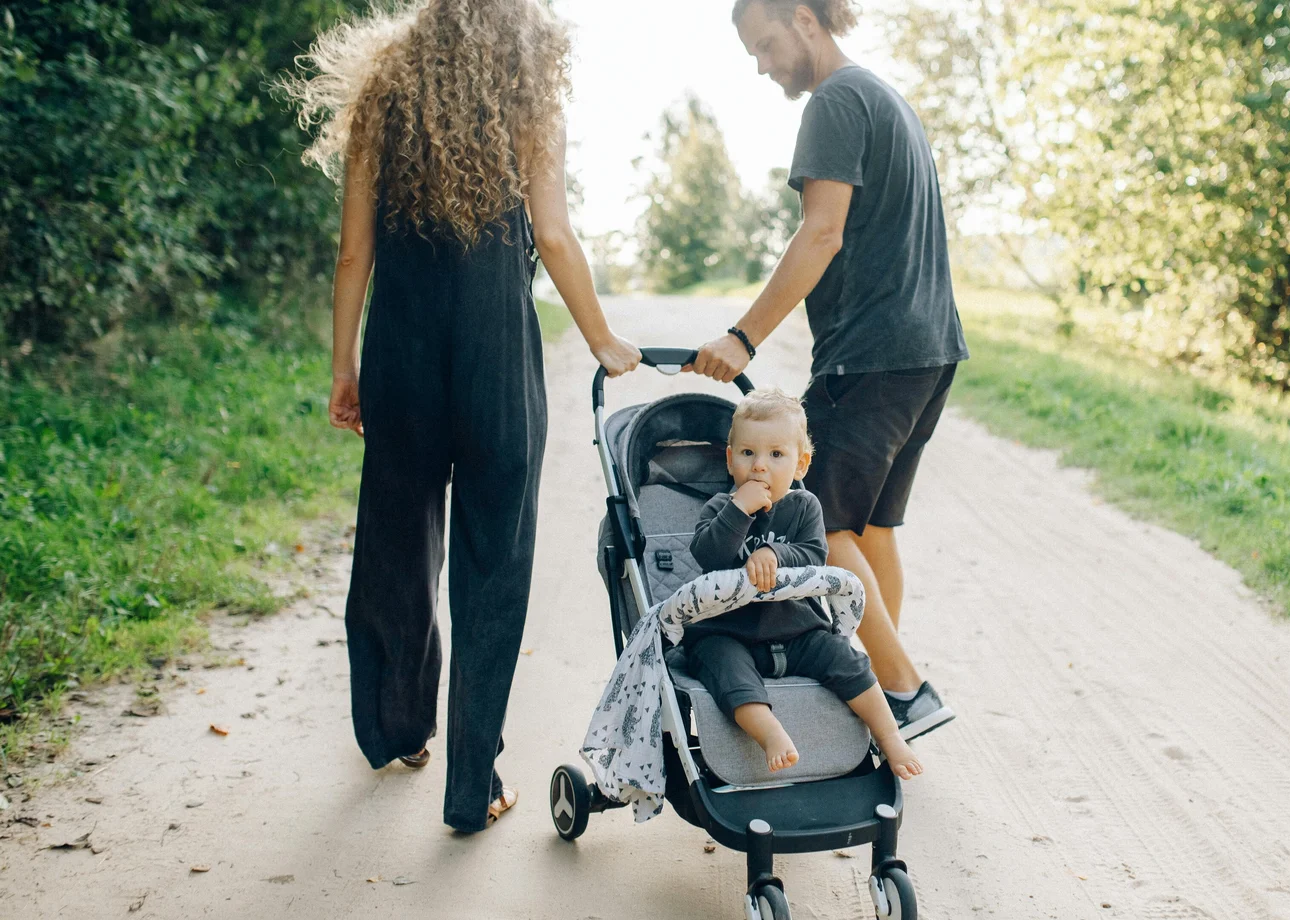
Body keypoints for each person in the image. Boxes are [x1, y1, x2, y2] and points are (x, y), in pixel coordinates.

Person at [283, 0, 641, 832]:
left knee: (398, 542)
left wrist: (344, 367)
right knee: (493, 562)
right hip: (496, 359)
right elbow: (551, 232)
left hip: (402, 354)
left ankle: (400, 729)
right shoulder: (525, 85)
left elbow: (352, 253)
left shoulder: (383, 88)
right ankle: (472, 785)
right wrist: (602, 340)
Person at [689, 0, 967, 740]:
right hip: (928, 349)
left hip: (870, 352)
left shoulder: (836, 101)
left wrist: (743, 336)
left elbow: (821, 233)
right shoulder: (884, 97)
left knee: (823, 513)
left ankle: (903, 690)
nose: (761, 63)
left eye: (765, 43)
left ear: (803, 20)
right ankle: (879, 683)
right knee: (873, 527)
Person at [686, 391, 923, 779]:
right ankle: (770, 733)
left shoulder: (804, 506)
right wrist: (738, 510)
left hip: (798, 631)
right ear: (730, 460)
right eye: (747, 453)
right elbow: (709, 556)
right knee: (720, 665)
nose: (760, 466)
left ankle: (890, 737)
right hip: (730, 633)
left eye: (776, 455)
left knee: (849, 661)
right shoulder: (718, 509)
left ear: (801, 464)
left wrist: (775, 555)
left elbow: (814, 555)